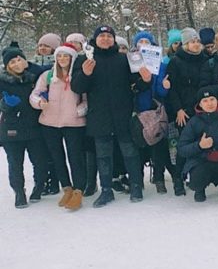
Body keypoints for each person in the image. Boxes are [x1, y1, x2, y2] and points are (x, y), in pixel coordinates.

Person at [71, 26, 152, 208]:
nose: (106, 39)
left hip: (123, 114)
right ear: (95, 39)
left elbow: (138, 85)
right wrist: (85, 73)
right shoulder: (85, 60)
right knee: (103, 156)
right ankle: (106, 190)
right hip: (99, 116)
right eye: (102, 36)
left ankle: (136, 186)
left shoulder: (124, 59)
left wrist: (146, 80)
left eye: (109, 36)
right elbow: (77, 87)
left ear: (114, 40)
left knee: (130, 153)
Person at [29, 43, 87, 211]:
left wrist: (79, 111)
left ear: (72, 58)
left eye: (66, 56)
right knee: (57, 157)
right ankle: (66, 188)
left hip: (73, 123)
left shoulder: (77, 76)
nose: (62, 59)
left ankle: (78, 190)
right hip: (49, 122)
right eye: (59, 56)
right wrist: (39, 102)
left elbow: (86, 100)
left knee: (75, 157)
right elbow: (35, 94)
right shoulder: (47, 76)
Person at [131, 31, 182, 196]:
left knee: (158, 144)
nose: (143, 44)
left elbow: (161, 91)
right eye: (140, 41)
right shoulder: (132, 64)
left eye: (147, 41)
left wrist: (165, 86)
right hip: (136, 110)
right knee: (137, 146)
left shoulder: (161, 66)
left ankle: (159, 178)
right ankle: (137, 180)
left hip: (155, 111)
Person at [1, 47, 50, 208]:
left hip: (34, 127)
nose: (17, 64)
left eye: (19, 59)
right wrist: (5, 104)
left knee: (40, 161)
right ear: (7, 65)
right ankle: (19, 192)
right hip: (12, 128)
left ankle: (39, 187)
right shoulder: (2, 81)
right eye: (12, 62)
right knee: (15, 163)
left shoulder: (33, 77)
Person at [166, 28, 210, 177]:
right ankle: (179, 177)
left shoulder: (205, 59)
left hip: (202, 107)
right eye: (192, 41)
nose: (196, 44)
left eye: (198, 41)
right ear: (185, 44)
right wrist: (178, 108)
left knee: (203, 141)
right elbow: (172, 89)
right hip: (183, 109)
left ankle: (200, 174)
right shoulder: (175, 61)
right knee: (184, 143)